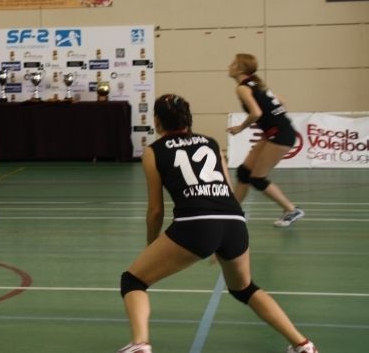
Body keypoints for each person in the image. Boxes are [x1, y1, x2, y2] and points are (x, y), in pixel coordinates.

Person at [117, 94, 318, 353]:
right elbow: (228, 190)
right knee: (244, 288)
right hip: (234, 222)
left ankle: (140, 344)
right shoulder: (211, 143)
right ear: (188, 119)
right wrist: (221, 238)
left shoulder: (153, 151)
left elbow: (156, 210)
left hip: (195, 225)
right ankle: (303, 344)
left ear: (157, 121)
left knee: (133, 281)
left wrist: (151, 244)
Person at [226, 53, 304, 227]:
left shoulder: (243, 88)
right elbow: (282, 102)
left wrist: (240, 128)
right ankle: (234, 212)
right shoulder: (256, 84)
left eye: (233, 63)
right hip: (277, 132)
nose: (229, 66)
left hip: (280, 135)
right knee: (244, 172)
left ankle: (291, 209)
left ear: (240, 69)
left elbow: (256, 113)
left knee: (257, 178)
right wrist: (272, 124)